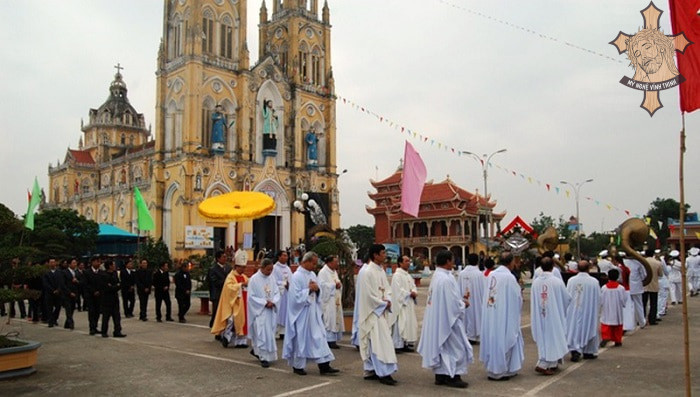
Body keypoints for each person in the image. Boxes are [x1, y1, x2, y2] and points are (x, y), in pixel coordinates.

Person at [418, 250, 472, 389]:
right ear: (448, 261)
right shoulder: (446, 279)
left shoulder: (438, 276)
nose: (453, 262)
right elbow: (452, 303)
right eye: (452, 259)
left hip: (439, 317)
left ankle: (441, 375)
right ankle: (453, 376)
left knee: (443, 348)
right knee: (456, 348)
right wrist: (463, 304)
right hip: (449, 320)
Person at [282, 251, 339, 376]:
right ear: (305, 261)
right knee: (301, 340)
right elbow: (294, 297)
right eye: (313, 263)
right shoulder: (296, 276)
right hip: (302, 314)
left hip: (313, 311)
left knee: (320, 338)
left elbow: (319, 291)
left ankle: (324, 365)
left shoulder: (313, 274)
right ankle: (298, 366)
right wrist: (308, 290)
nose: (315, 266)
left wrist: (317, 290)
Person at [480, 251, 524, 381]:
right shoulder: (509, 277)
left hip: (492, 313)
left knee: (493, 338)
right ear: (511, 262)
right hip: (504, 314)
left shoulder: (491, 275)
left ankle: (492, 369)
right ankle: (501, 371)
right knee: (505, 337)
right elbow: (516, 297)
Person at [357, 244, 398, 386]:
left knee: (377, 342)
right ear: (375, 255)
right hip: (373, 312)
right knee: (379, 342)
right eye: (382, 253)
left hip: (380, 310)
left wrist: (388, 299)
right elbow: (368, 295)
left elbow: (387, 288)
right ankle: (383, 372)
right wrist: (382, 303)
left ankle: (372, 369)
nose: (385, 255)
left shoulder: (380, 271)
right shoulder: (367, 272)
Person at [530, 257, 571, 375]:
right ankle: (543, 364)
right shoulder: (557, 281)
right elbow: (567, 298)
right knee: (554, 337)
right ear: (553, 266)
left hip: (540, 316)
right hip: (554, 316)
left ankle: (552, 363)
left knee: (544, 338)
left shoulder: (536, 282)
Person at [247, 258, 280, 368]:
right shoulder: (254, 279)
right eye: (268, 270)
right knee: (262, 334)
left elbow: (276, 292)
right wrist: (264, 303)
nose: (270, 272)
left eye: (271, 270)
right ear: (262, 268)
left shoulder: (272, 278)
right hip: (260, 311)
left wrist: (274, 301)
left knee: (269, 333)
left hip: (270, 311)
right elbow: (251, 297)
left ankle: (262, 353)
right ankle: (263, 357)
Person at [565, 261, 600, 362]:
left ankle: (575, 350)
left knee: (574, 327)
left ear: (577, 269)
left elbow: (568, 295)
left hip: (574, 309)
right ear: (589, 268)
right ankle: (588, 351)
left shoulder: (571, 281)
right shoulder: (594, 281)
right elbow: (598, 297)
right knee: (589, 326)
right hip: (588, 310)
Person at [211, 260, 249, 348]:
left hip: (243, 303)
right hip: (234, 302)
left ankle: (241, 342)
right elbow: (229, 288)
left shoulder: (244, 276)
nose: (244, 269)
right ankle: (226, 337)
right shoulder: (231, 276)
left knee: (243, 321)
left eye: (244, 267)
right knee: (232, 321)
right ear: (237, 267)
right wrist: (241, 285)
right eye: (242, 267)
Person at [390, 255, 418, 352]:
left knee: (408, 324)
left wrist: (414, 292)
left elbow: (413, 286)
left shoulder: (408, 275)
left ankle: (405, 343)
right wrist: (409, 293)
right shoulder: (397, 275)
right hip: (401, 304)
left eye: (409, 261)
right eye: (406, 261)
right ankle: (397, 345)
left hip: (409, 303)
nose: (408, 263)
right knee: (400, 323)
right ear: (400, 263)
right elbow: (397, 291)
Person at [458, 253, 485, 344]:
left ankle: (466, 335)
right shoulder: (479, 274)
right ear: (477, 261)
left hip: (464, 300)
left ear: (467, 261)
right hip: (476, 301)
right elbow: (483, 289)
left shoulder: (461, 274)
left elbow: (458, 288)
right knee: (476, 315)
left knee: (466, 316)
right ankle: (475, 335)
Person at [318, 255, 344, 349]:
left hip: (335, 299)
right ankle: (329, 340)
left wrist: (339, 284)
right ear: (329, 262)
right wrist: (334, 285)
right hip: (328, 301)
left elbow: (337, 281)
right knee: (329, 319)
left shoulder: (334, 272)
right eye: (335, 262)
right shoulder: (323, 272)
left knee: (335, 318)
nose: (337, 264)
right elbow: (321, 286)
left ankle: (333, 339)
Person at [600, 268, 627, 347]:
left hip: (607, 308)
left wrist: (602, 305)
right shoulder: (621, 288)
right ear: (617, 277)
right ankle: (617, 340)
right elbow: (623, 299)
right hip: (617, 309)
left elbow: (601, 299)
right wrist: (622, 304)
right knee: (617, 325)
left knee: (606, 324)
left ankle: (605, 337)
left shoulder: (604, 288)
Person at [100, 261, 126, 338]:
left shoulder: (114, 273)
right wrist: (115, 286)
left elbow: (119, 284)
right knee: (106, 317)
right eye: (113, 265)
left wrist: (115, 286)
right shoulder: (104, 275)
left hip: (115, 298)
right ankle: (104, 331)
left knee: (117, 316)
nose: (114, 266)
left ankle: (117, 331)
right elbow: (107, 287)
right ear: (109, 266)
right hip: (106, 299)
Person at [624, 254, 648, 329]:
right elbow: (644, 275)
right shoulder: (638, 263)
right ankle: (641, 322)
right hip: (636, 287)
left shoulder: (624, 262)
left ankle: (629, 324)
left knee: (628, 306)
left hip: (627, 287)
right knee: (639, 305)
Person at [271, 250, 292, 338]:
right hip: (279, 293)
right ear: (279, 257)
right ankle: (276, 331)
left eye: (286, 256)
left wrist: (290, 285)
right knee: (279, 311)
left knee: (286, 311)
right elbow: (273, 280)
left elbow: (291, 279)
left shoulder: (288, 268)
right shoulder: (275, 268)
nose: (285, 257)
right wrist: (284, 284)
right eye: (283, 255)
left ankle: (283, 331)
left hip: (286, 293)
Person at [351, 257, 370, 347]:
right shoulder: (365, 271)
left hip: (370, 302)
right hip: (365, 302)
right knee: (362, 321)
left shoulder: (375, 270)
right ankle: (359, 341)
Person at [209, 251, 231, 329]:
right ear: (218, 258)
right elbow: (214, 282)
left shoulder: (229, 267)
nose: (225, 258)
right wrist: (226, 282)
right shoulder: (213, 269)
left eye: (226, 257)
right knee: (217, 312)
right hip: (217, 293)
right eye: (223, 257)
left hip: (227, 293)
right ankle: (215, 327)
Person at [642, 249, 663, 326]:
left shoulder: (642, 262)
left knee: (643, 303)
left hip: (644, 285)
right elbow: (660, 274)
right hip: (654, 285)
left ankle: (642, 318)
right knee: (653, 303)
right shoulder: (657, 263)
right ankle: (652, 319)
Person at [42, 258, 63, 328]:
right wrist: (52, 290)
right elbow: (45, 283)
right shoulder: (46, 273)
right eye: (51, 262)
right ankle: (50, 321)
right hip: (49, 293)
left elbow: (61, 282)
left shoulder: (59, 272)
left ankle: (54, 319)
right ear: (48, 264)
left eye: (54, 262)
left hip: (58, 293)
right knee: (49, 308)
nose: (52, 264)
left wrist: (58, 289)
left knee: (58, 307)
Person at [60, 259, 80, 330]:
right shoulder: (64, 272)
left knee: (72, 308)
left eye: (75, 263)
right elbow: (63, 284)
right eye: (73, 263)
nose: (75, 264)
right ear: (69, 264)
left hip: (75, 293)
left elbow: (81, 282)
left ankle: (67, 323)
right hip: (67, 294)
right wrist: (69, 292)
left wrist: (77, 281)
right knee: (68, 309)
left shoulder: (77, 272)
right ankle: (71, 323)